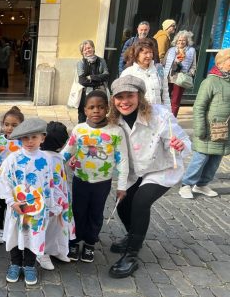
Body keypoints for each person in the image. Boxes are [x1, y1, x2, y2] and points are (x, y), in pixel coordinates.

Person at [107, 76, 190, 278]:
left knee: (140, 203)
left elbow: (183, 140)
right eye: (119, 97)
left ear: (140, 96)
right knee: (124, 204)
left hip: (161, 168)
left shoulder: (159, 116)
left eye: (130, 96)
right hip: (136, 170)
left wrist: (180, 145)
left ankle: (132, 254)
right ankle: (133, 235)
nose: (124, 101)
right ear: (113, 100)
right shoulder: (113, 120)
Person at [60, 90, 129, 263]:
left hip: (102, 182)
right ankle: (74, 242)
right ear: (85, 110)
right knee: (77, 211)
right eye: (91, 107)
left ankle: (90, 243)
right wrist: (52, 167)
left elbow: (122, 160)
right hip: (80, 180)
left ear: (107, 108)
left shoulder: (115, 132)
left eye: (100, 107)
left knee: (96, 213)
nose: (96, 111)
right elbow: (67, 151)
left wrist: (122, 186)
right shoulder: (79, 129)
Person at [0, 118, 65, 286]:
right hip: (17, 209)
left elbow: (52, 182)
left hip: (37, 210)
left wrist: (52, 204)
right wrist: (11, 202)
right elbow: (4, 181)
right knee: (15, 235)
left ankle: (29, 264)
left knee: (34, 236)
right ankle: (15, 263)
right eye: (25, 138)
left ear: (42, 138)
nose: (29, 141)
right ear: (20, 139)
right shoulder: (12, 159)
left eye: (34, 137)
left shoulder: (47, 159)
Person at [179, 49, 230, 199]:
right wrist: (200, 128)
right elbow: (199, 106)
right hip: (209, 128)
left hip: (224, 129)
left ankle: (202, 185)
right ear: (222, 62)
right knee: (200, 158)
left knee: (216, 158)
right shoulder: (210, 81)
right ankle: (186, 185)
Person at [38, 121, 75, 269]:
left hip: (61, 197)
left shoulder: (58, 157)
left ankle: (57, 249)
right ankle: (42, 252)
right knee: (47, 225)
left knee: (58, 225)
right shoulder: (43, 158)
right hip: (49, 198)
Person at [0, 106, 24, 244]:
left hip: (17, 183)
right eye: (6, 124)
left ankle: (14, 229)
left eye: (14, 125)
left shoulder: (24, 142)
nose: (9, 128)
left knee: (14, 206)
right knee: (0, 206)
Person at [121, 38, 171, 110]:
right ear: (136, 54)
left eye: (151, 52)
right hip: (138, 116)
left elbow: (165, 95)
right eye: (145, 53)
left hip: (158, 116)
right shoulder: (128, 73)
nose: (149, 56)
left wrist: (168, 114)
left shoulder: (159, 70)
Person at [163, 30, 197, 117]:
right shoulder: (171, 50)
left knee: (175, 101)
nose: (181, 42)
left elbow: (193, 66)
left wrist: (189, 73)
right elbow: (164, 63)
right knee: (164, 99)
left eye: (183, 40)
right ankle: (163, 118)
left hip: (180, 78)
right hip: (168, 77)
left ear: (187, 41)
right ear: (176, 41)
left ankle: (173, 120)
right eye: (179, 40)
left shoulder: (191, 51)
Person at [76, 40, 110, 123]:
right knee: (82, 114)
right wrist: (99, 80)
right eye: (85, 49)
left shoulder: (102, 61)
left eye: (89, 48)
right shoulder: (80, 63)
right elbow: (82, 81)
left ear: (93, 48)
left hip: (101, 91)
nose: (87, 50)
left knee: (100, 112)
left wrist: (91, 77)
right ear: (82, 52)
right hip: (86, 92)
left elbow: (106, 75)